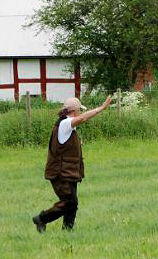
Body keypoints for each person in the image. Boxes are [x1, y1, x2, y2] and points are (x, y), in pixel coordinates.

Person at [33, 95, 112, 232]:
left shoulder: (67, 126)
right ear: (75, 111)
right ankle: (41, 219)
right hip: (60, 172)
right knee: (69, 202)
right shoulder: (64, 124)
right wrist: (101, 108)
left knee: (72, 203)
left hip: (68, 172)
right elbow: (83, 118)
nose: (80, 113)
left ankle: (67, 231)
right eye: (80, 110)